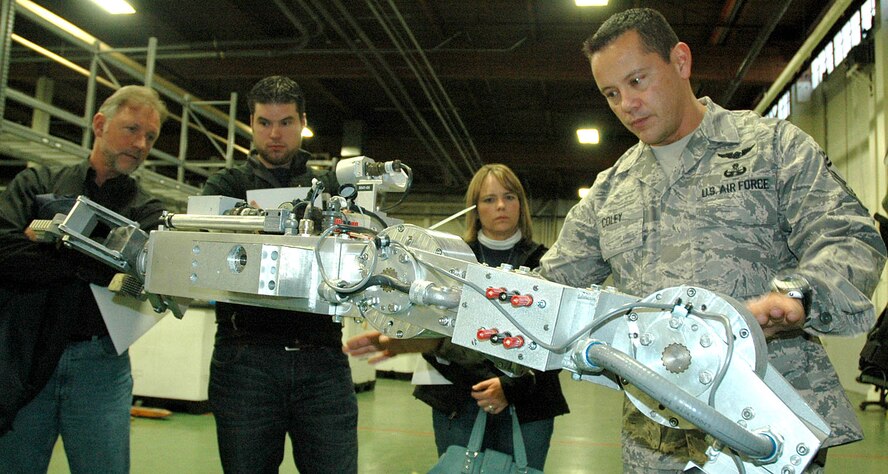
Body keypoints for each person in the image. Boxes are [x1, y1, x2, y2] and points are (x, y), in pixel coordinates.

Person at [536, 7, 887, 472]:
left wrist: (799, 294)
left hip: (766, 428)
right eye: (611, 94)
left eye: (638, 81)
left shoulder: (773, 147)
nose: (627, 105)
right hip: (656, 441)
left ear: (680, 61)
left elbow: (850, 237)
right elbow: (547, 288)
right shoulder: (609, 191)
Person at [344, 164, 569, 471]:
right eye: (489, 199)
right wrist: (397, 340)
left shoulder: (548, 264)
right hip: (458, 399)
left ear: (521, 205)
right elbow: (437, 328)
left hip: (529, 400)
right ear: (474, 209)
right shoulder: (445, 261)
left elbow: (559, 336)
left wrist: (510, 387)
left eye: (509, 196)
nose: (501, 206)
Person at [0, 85, 168, 473]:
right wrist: (98, 256)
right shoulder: (37, 184)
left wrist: (52, 242)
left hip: (101, 366)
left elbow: (139, 274)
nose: (141, 143)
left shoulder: (148, 211)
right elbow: (4, 253)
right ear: (99, 124)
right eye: (131, 129)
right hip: (26, 354)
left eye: (150, 137)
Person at [201, 75, 357, 474]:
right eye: (264, 123)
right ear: (250, 124)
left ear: (302, 122)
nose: (274, 134)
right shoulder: (224, 187)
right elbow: (201, 261)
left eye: (286, 122)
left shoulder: (330, 189)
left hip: (321, 358)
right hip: (245, 359)